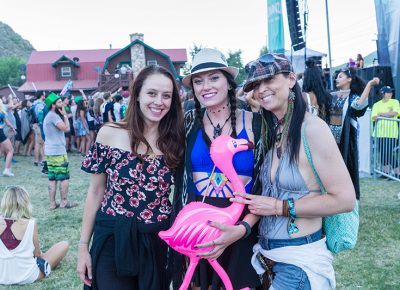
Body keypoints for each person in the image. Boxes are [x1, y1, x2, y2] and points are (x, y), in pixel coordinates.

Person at [230, 53, 356, 289]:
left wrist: (279, 207)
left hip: (298, 264)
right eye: (256, 85)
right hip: (270, 260)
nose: (262, 89)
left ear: (290, 79)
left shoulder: (312, 129)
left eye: (269, 80)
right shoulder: (274, 129)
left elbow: (345, 199)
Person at [77, 65, 184, 290]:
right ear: (137, 95)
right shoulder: (109, 133)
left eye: (166, 96)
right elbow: (96, 192)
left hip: (156, 240)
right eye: (152, 93)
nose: (159, 101)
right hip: (112, 238)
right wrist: (83, 246)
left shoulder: (176, 141)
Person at [172, 48, 263, 290]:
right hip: (197, 230)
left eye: (214, 78)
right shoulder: (188, 122)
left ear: (229, 82)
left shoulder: (256, 123)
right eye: (198, 81)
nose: (206, 86)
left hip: (240, 227)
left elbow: (267, 186)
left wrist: (242, 229)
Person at [0, 186, 69, 285]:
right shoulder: (31, 223)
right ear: (25, 203)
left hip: (2, 275)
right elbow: (37, 254)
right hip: (28, 275)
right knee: (64, 244)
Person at [330, 68, 379, 199]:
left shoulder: (353, 97)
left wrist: (369, 85)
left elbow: (358, 106)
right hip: (330, 141)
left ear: (349, 79)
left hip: (346, 141)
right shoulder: (333, 96)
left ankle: (347, 198)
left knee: (347, 168)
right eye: (337, 77)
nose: (337, 79)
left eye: (340, 76)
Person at [43, 93, 77, 210]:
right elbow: (67, 128)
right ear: (53, 105)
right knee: (63, 178)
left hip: (50, 151)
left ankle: (52, 204)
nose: (62, 104)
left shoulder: (49, 115)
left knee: (52, 179)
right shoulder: (54, 116)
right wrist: (65, 115)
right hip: (57, 152)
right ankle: (63, 202)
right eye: (59, 102)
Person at [371, 86, 399, 175]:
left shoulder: (395, 102)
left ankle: (397, 172)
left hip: (391, 132)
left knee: (389, 152)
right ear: (383, 94)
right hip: (379, 133)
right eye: (388, 92)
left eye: (391, 92)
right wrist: (387, 114)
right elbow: (374, 117)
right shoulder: (376, 104)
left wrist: (381, 114)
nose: (391, 94)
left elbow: (394, 113)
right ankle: (385, 172)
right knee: (382, 153)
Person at [302, 59, 332, 123]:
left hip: (309, 131)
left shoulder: (304, 97)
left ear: (306, 79)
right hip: (325, 131)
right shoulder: (328, 96)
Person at [0, 99, 16, 176]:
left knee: (2, 151)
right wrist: (13, 128)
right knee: (10, 150)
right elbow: (8, 123)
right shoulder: (1, 113)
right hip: (0, 133)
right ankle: (6, 170)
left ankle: (8, 169)